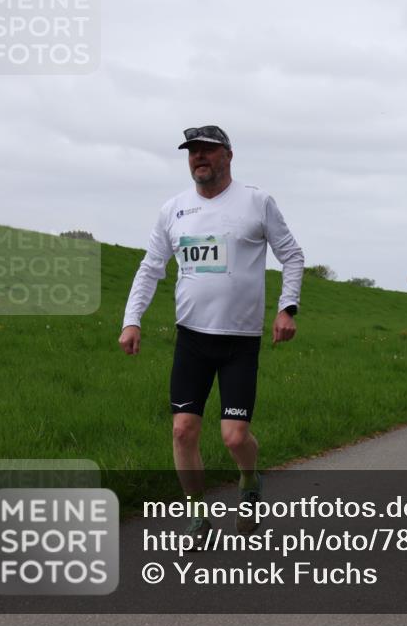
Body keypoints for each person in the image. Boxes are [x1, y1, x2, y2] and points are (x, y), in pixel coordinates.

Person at [118, 125, 304, 541]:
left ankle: (251, 480)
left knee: (234, 437)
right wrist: (132, 319)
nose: (199, 158)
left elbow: (291, 255)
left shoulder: (257, 202)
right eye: (193, 152)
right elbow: (151, 268)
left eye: (207, 150)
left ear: (228, 155)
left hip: (240, 340)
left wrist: (286, 308)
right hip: (192, 338)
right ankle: (197, 514)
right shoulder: (173, 209)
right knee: (183, 429)